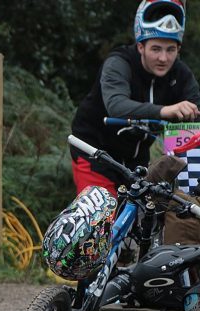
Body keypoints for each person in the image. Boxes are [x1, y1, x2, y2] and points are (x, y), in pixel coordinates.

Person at [70, 0, 200, 196]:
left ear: (178, 50)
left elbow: (196, 114)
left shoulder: (180, 74)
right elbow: (116, 105)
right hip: (94, 152)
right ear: (141, 46)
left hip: (137, 160)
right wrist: (165, 111)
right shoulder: (119, 63)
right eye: (156, 49)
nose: (163, 58)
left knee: (148, 218)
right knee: (103, 215)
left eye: (170, 50)